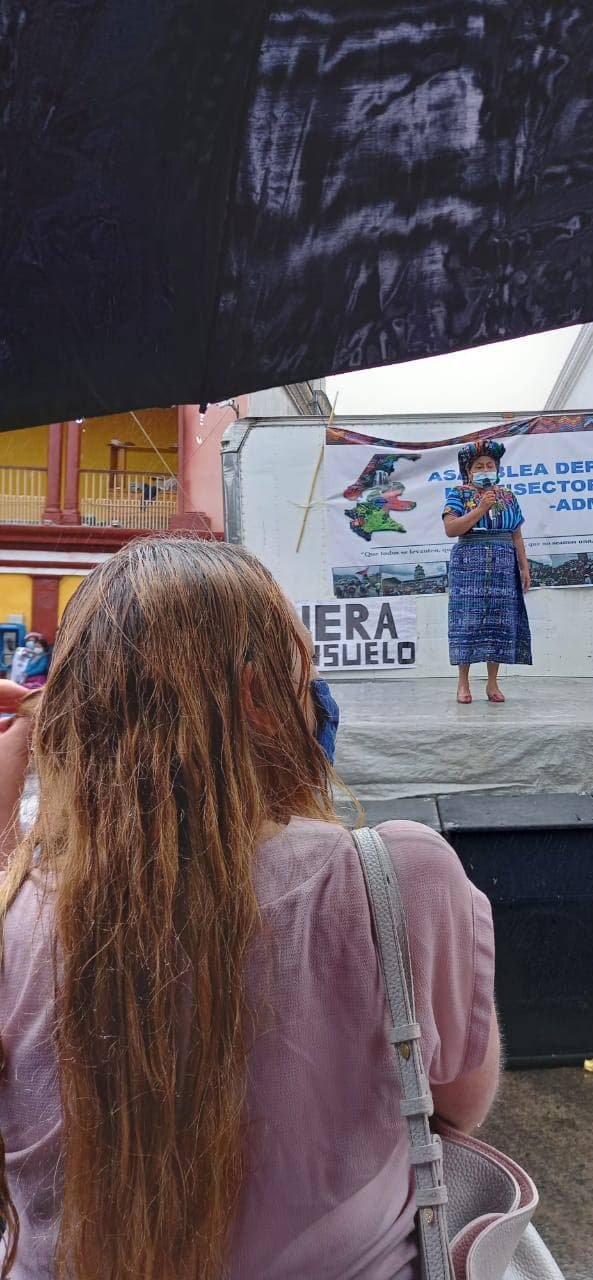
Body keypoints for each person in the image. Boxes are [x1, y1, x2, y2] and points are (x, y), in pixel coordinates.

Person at [0, 538, 499, 1280]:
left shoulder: (15, 915)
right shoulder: (399, 877)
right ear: (261, 699)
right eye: (303, 669)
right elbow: (458, 1106)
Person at [442, 440, 532, 704]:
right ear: (469, 471)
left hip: (504, 562)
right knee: (467, 621)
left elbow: (516, 535)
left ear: (497, 468)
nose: (485, 469)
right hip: (469, 561)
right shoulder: (458, 494)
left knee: (499, 622)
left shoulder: (508, 496)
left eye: (489, 465)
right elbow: (451, 529)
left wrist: (524, 566)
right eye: (479, 466)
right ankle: (463, 683)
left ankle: (493, 683)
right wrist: (480, 508)